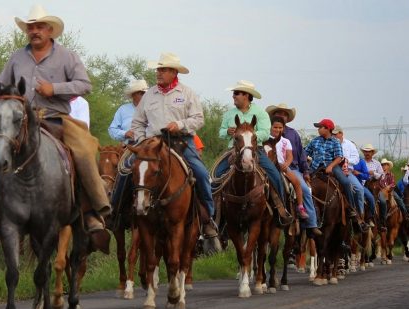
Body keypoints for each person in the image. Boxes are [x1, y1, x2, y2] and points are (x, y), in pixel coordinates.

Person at [0, 5, 111, 240]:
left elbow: (85, 84)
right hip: (20, 122)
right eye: (31, 27)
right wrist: (5, 106)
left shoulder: (67, 56)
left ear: (50, 31)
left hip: (54, 118)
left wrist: (55, 89)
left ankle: (89, 209)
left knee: (84, 149)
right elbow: (0, 86)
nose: (35, 31)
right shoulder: (16, 57)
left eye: (40, 27)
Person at [128, 52, 221, 252]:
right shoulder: (149, 95)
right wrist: (142, 141)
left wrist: (179, 124)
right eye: (158, 69)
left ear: (173, 72)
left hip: (181, 142)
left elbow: (198, 119)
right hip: (153, 143)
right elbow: (137, 123)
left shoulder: (186, 93)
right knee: (128, 169)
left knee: (202, 173)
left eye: (162, 70)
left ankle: (208, 220)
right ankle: (117, 214)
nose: (158, 73)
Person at [213, 80, 292, 225]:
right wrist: (227, 131)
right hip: (233, 150)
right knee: (215, 177)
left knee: (275, 175)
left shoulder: (260, 113)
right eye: (234, 93)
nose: (234, 96)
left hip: (256, 150)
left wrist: (250, 136)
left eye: (237, 93)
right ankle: (213, 217)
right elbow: (221, 132)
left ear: (247, 96)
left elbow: (265, 132)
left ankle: (281, 210)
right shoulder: (229, 114)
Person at [265, 103, 320, 236]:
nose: (281, 115)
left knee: (305, 189)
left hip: (290, 167)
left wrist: (305, 171)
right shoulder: (265, 133)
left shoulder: (292, 134)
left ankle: (310, 223)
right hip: (269, 166)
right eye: (278, 113)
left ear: (287, 118)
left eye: (284, 114)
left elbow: (300, 154)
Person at [304, 118, 362, 224]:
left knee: (346, 183)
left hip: (332, 166)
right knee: (303, 183)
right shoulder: (315, 140)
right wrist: (304, 164)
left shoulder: (335, 142)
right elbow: (305, 152)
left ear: (328, 129)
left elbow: (339, 157)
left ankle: (351, 209)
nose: (318, 129)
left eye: (320, 127)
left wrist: (331, 166)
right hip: (315, 166)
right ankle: (301, 208)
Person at [266, 116, 308, 220]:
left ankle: (300, 207)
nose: (278, 130)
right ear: (271, 127)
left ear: (283, 128)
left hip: (282, 167)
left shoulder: (286, 141)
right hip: (267, 166)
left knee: (297, 182)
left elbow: (290, 156)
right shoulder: (265, 139)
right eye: (275, 127)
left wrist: (286, 164)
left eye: (280, 128)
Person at [332, 126, 369, 221]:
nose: (334, 136)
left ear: (341, 133)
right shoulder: (329, 143)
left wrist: (347, 160)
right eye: (333, 134)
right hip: (332, 169)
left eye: (336, 134)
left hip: (347, 171)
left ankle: (360, 215)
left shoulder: (349, 144)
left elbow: (356, 159)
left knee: (359, 189)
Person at [108, 79, 147, 144]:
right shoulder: (123, 109)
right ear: (133, 95)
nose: (145, 96)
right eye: (142, 93)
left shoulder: (152, 109)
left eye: (146, 93)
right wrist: (125, 133)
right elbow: (112, 129)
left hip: (150, 145)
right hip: (129, 146)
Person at [377, 159, 409, 227]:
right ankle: (382, 219)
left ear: (388, 166)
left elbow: (393, 183)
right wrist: (383, 188)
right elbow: (378, 183)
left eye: (385, 164)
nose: (384, 166)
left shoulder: (391, 174)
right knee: (382, 201)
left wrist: (389, 187)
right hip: (381, 191)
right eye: (382, 165)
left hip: (390, 191)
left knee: (399, 200)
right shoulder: (379, 174)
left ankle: (405, 214)